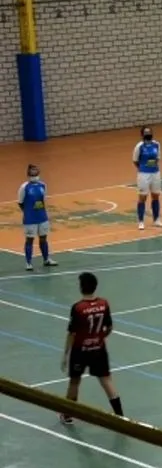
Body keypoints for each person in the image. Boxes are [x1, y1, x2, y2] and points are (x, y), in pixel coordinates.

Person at [60, 272, 124, 424]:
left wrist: (65, 354)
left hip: (80, 351)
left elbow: (72, 333)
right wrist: (99, 338)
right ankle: (120, 416)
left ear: (81, 287)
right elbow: (109, 327)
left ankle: (68, 415)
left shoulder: (78, 308)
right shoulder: (104, 304)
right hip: (98, 349)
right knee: (107, 381)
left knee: (74, 382)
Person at [18, 164, 57, 271]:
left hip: (42, 217)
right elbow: (20, 202)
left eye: (36, 170)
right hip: (30, 219)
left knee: (43, 238)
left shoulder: (43, 185)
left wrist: (42, 211)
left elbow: (43, 200)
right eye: (32, 170)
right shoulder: (24, 187)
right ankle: (28, 263)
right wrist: (28, 212)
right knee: (29, 239)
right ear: (28, 173)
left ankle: (46, 259)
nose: (34, 172)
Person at [132, 126, 162, 230]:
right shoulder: (139, 146)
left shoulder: (156, 144)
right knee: (142, 197)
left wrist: (151, 165)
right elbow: (135, 160)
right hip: (143, 174)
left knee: (156, 195)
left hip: (155, 173)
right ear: (142, 135)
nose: (148, 134)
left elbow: (158, 158)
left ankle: (156, 220)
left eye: (149, 132)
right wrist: (143, 167)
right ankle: (141, 222)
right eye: (146, 133)